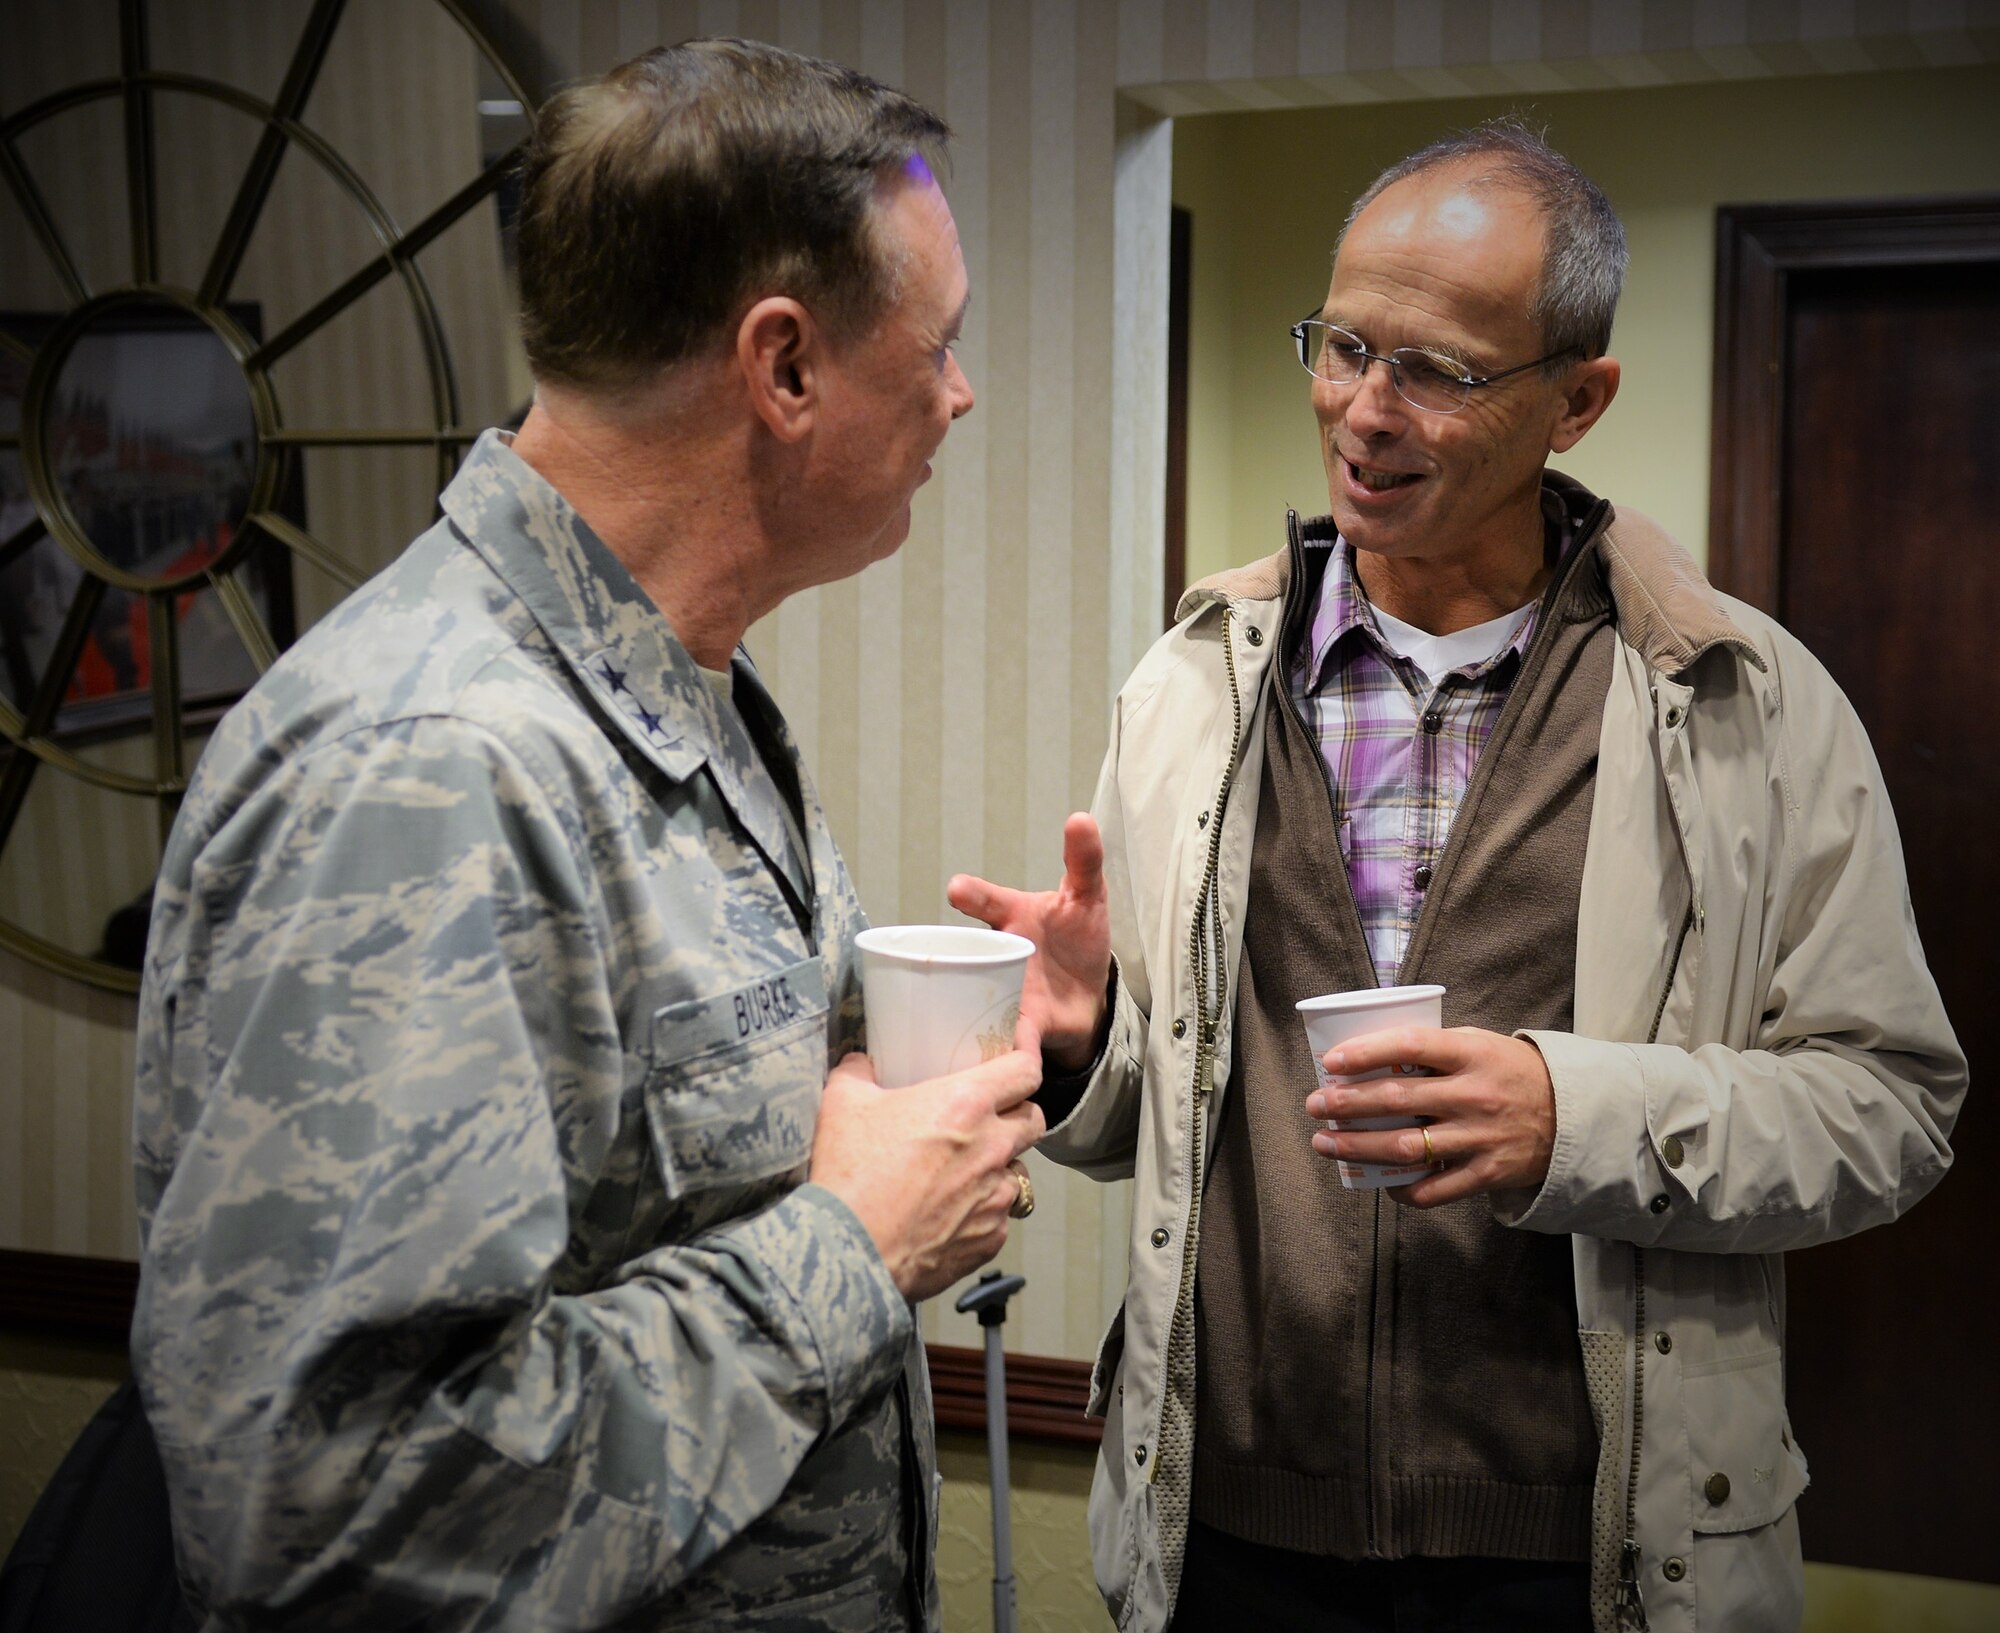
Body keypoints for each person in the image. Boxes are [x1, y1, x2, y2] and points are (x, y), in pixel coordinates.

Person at [951, 120, 1966, 1633]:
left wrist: (1576, 1112)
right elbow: (1149, 1127)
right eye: (1343, 343)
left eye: (1436, 370)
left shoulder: (1741, 705)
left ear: (1578, 398)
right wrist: (1084, 1041)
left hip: (1584, 1556)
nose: (1364, 410)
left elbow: (1893, 1104)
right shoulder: (1190, 688)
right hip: (1226, 1533)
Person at [130, 39, 1044, 1632]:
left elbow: (693, 1141)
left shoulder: (678, 684)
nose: (960, 392)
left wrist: (1027, 1049)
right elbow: (332, 1517)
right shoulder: (427, 773)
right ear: (787, 368)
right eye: (941, 342)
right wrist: (848, 1250)